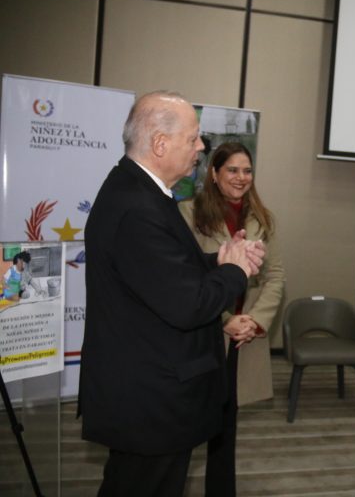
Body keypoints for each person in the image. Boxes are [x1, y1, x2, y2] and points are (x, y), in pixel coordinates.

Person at [79, 91, 265, 497]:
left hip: (148, 391)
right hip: (150, 399)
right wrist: (235, 270)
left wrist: (218, 260)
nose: (200, 148)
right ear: (160, 144)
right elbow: (188, 304)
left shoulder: (140, 193)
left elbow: (164, 269)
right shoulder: (138, 207)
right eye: (193, 138)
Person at [179, 142, 285, 497]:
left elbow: (275, 276)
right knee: (189, 422)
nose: (242, 178)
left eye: (247, 170)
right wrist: (224, 318)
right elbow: (188, 279)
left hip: (244, 337)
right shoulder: (188, 213)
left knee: (227, 425)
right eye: (233, 170)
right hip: (206, 333)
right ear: (213, 173)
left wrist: (253, 320)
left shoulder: (263, 218)